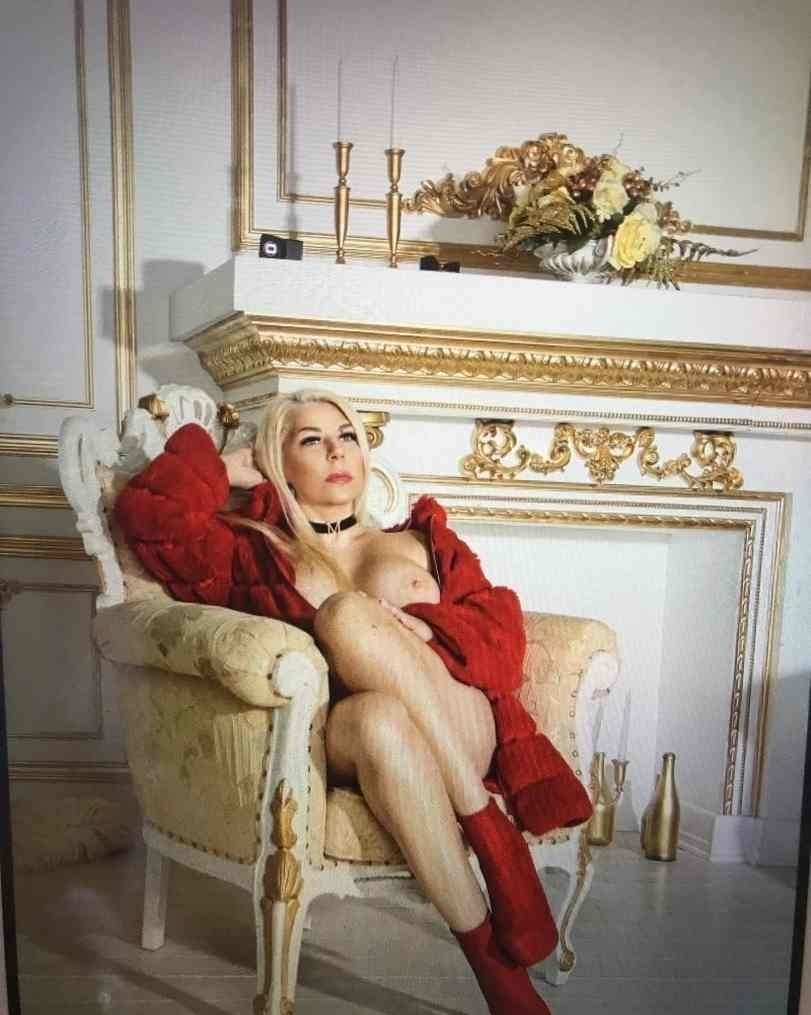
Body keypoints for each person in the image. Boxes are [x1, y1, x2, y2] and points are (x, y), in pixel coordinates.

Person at [114, 388, 593, 1015]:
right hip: (349, 736)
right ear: (278, 463)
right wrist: (225, 468)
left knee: (353, 628)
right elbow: (148, 520)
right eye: (311, 441)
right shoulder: (254, 551)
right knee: (372, 701)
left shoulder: (422, 540)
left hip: (459, 721)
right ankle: (498, 968)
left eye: (347, 436)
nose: (337, 452)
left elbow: (502, 642)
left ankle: (485, 834)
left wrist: (433, 632)